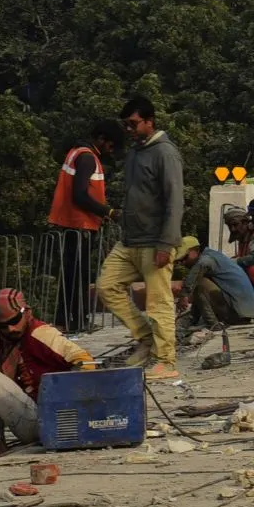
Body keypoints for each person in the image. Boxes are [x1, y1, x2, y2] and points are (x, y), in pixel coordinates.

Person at [96, 97, 185, 381]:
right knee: (107, 286)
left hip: (155, 241)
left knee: (159, 302)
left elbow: (175, 200)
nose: (130, 129)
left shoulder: (165, 153)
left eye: (134, 124)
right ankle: (146, 338)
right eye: (127, 125)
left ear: (150, 121)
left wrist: (166, 243)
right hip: (130, 239)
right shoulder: (135, 153)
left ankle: (166, 361)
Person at [0, 289, 93, 465]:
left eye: (14, 321)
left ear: (27, 312)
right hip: (36, 420)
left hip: (54, 419)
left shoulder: (41, 333)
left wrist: (58, 394)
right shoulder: (6, 343)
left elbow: (86, 363)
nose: (10, 329)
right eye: (3, 325)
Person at [48, 120, 125, 332]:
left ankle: (66, 320)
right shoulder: (87, 158)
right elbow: (80, 195)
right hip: (80, 224)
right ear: (101, 139)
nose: (110, 150)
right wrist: (107, 211)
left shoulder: (76, 152)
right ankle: (77, 321)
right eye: (110, 145)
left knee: (71, 274)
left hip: (72, 223)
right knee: (78, 276)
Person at [175, 236, 254, 330]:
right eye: (179, 261)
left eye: (185, 257)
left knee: (199, 283)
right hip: (242, 311)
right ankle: (193, 320)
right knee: (199, 284)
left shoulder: (206, 260)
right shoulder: (214, 256)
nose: (183, 263)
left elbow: (193, 280)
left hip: (238, 313)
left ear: (196, 250)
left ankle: (213, 326)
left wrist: (183, 295)